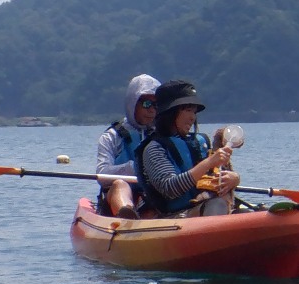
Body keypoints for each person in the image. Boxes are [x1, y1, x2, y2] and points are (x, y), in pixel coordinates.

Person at [135, 80, 238, 217]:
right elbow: (170, 188)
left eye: (194, 112)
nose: (192, 117)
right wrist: (209, 162)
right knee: (217, 204)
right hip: (175, 218)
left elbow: (217, 177)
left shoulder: (200, 142)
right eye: (188, 110)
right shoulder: (154, 148)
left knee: (235, 209)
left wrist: (233, 179)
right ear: (170, 113)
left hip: (205, 210)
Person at [96, 74, 160, 218]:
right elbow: (102, 174)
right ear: (133, 103)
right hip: (120, 195)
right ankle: (127, 215)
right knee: (120, 184)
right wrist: (132, 168)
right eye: (146, 104)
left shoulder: (162, 136)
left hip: (151, 198)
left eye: (156, 105)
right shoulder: (112, 136)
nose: (152, 110)